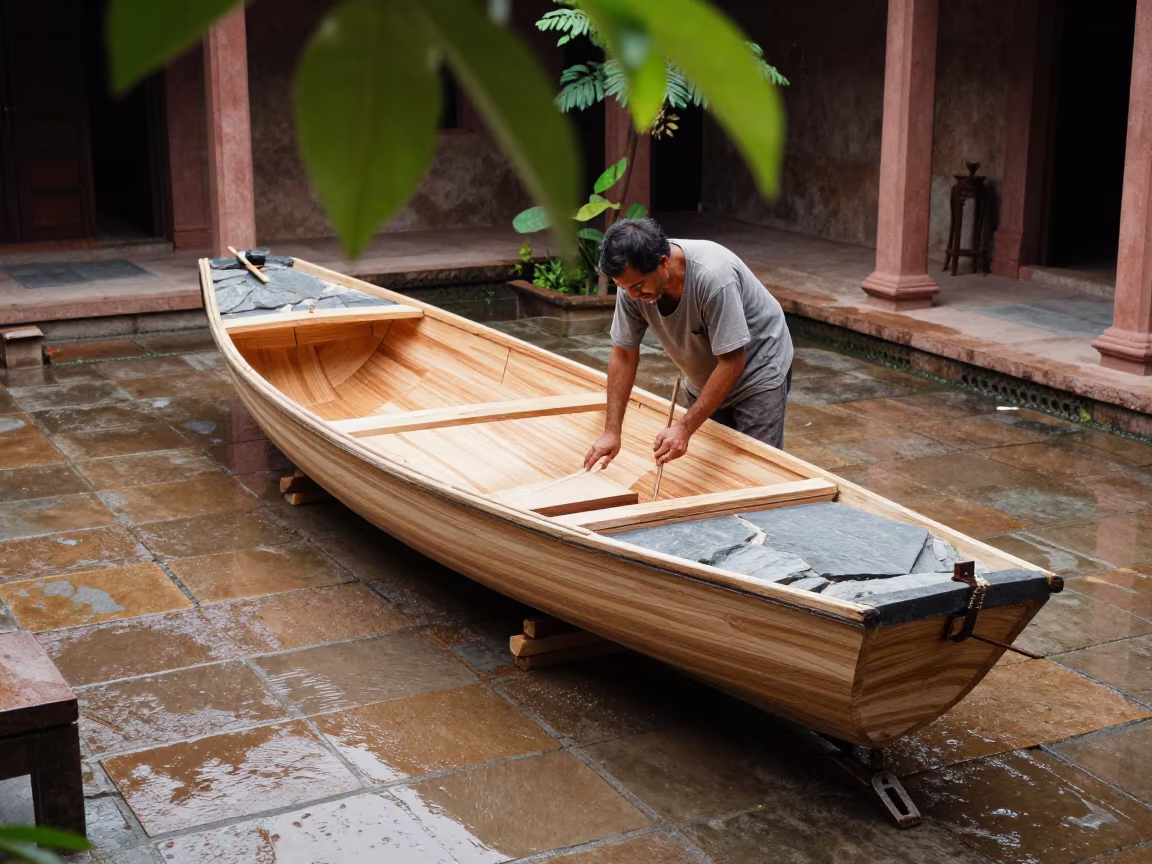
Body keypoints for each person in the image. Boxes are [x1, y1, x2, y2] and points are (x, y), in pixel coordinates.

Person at [583, 217, 794, 472]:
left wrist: (684, 427)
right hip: (704, 372)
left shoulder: (714, 276)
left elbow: (733, 361)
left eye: (638, 286)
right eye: (624, 288)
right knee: (712, 468)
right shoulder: (632, 284)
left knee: (757, 471)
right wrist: (611, 432)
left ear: (663, 262)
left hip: (757, 368)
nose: (632, 296)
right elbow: (624, 355)